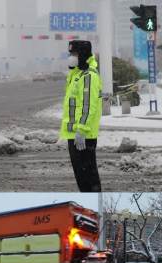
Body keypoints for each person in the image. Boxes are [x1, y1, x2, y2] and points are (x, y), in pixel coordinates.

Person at [60, 40, 102, 192]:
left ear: (83, 54)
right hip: (75, 134)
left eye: (75, 54)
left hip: (83, 135)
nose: (71, 57)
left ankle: (95, 207)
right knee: (82, 179)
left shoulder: (88, 76)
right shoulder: (76, 74)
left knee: (88, 179)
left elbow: (88, 106)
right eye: (70, 54)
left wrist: (82, 130)